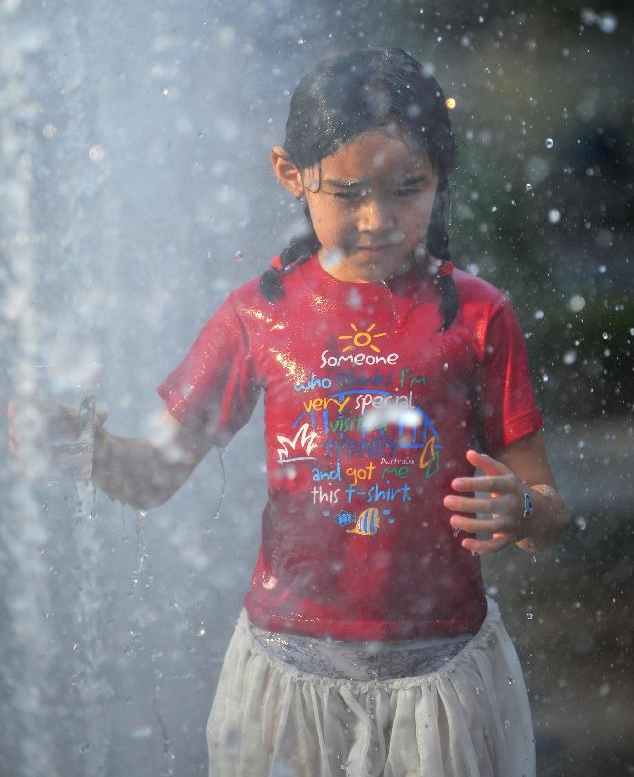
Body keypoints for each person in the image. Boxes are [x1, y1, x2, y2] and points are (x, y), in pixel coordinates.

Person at [9, 48, 566, 776]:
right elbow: (152, 477)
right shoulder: (257, 317)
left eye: (408, 189)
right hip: (287, 677)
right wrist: (83, 444)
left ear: (440, 178)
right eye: (347, 193)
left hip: (441, 679)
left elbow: (547, 509)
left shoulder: (480, 317)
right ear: (291, 174)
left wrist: (521, 510)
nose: (379, 219)